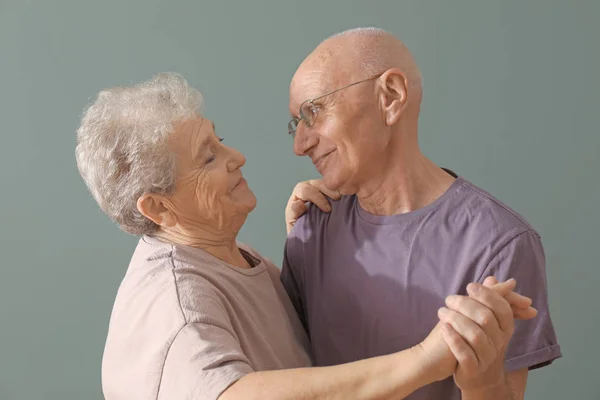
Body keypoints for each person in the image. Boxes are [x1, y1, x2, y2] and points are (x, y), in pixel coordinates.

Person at [76, 72, 534, 400]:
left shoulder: (241, 257)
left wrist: (306, 249)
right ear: (158, 207)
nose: (237, 156)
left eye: (219, 141)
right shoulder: (170, 300)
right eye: (207, 158)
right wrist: (426, 359)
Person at [282, 27, 562, 400]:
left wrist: (482, 381)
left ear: (391, 97)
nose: (301, 144)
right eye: (295, 124)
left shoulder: (501, 245)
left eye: (313, 111)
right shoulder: (311, 229)